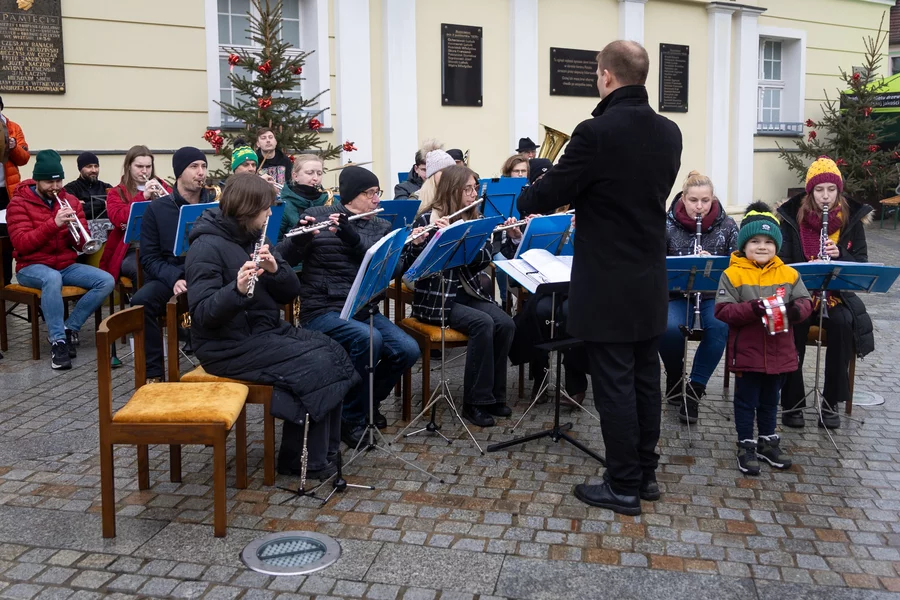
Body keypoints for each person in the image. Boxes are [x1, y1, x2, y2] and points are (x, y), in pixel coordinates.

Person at [518, 40, 682, 515]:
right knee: (645, 377)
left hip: (608, 282)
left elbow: (543, 197)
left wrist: (535, 186)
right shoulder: (670, 132)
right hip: (649, 278)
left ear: (607, 76)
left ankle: (623, 484)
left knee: (614, 384)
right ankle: (645, 475)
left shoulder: (594, 132)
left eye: (596, 72)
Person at [186, 174, 359, 480]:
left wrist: (276, 269)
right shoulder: (205, 247)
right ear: (247, 208)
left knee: (332, 349)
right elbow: (202, 314)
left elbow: (290, 292)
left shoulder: (256, 237)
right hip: (225, 346)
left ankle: (322, 452)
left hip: (261, 332)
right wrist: (237, 290)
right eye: (265, 207)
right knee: (316, 364)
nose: (269, 213)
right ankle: (303, 461)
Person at [277, 166, 420, 447]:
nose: (377, 199)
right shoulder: (318, 215)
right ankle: (351, 419)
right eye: (370, 193)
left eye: (377, 192)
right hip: (322, 310)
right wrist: (300, 239)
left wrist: (352, 238)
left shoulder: (381, 226)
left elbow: (393, 269)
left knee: (407, 350)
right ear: (352, 195)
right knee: (369, 339)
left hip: (362, 309)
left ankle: (363, 403)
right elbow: (282, 256)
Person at [409, 165, 516, 428]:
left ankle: (495, 396)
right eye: (467, 189)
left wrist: (468, 238)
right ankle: (475, 402)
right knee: (483, 323)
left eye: (474, 188)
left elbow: (483, 259)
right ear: (452, 190)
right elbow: (412, 268)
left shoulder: (474, 218)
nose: (473, 194)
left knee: (506, 323)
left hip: (467, 293)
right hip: (435, 299)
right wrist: (428, 241)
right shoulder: (426, 219)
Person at [714, 203, 812, 475]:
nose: (762, 247)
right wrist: (753, 308)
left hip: (779, 353)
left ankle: (768, 442)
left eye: (768, 242)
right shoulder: (732, 274)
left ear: (777, 246)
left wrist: (796, 311)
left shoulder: (789, 274)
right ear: (744, 244)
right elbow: (723, 311)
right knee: (746, 401)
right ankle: (746, 444)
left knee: (770, 400)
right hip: (748, 353)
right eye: (755, 241)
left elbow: (806, 301)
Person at [777, 156, 874, 430]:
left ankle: (831, 401)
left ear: (838, 191)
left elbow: (861, 264)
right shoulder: (791, 218)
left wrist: (840, 254)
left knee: (844, 323)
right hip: (801, 295)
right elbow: (782, 261)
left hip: (836, 296)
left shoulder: (851, 220)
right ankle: (793, 402)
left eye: (831, 190)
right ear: (810, 192)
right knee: (793, 325)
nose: (825, 196)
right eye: (819, 190)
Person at [6, 150, 114, 370]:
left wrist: (78, 233)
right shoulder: (18, 204)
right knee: (52, 278)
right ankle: (58, 342)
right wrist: (53, 224)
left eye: (58, 181)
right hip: (31, 266)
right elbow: (22, 244)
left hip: (64, 265)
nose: (55, 187)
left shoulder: (70, 201)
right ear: (37, 180)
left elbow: (80, 244)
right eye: (49, 182)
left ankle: (69, 327)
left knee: (106, 280)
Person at [660, 171, 738, 424]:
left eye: (705, 200)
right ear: (683, 198)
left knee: (719, 326)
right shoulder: (666, 224)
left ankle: (695, 389)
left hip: (713, 295)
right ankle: (674, 375)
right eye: (693, 200)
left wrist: (712, 264)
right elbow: (656, 263)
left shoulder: (728, 226)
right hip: (677, 295)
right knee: (668, 327)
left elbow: (739, 266)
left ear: (712, 199)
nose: (699, 207)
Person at [131, 147, 215, 382]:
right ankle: (154, 373)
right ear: (179, 172)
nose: (201, 172)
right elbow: (149, 257)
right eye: (194, 167)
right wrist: (175, 278)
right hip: (173, 274)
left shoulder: (215, 205)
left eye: (204, 166)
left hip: (207, 272)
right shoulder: (156, 209)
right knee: (141, 301)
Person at [102, 146, 171, 284]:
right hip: (131, 249)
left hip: (160, 247)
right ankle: (142, 298)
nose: (144, 171)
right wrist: (143, 196)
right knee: (144, 271)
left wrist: (168, 201)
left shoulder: (163, 187)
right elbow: (118, 219)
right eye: (139, 166)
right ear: (129, 166)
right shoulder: (116, 192)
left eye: (148, 166)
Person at [1, 95, 30, 286]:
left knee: (6, 239)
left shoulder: (13, 128)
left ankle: (4, 283)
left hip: (6, 192)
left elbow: (24, 158)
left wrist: (13, 147)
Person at [279, 154, 334, 240]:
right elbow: (274, 241)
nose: (316, 178)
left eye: (319, 173)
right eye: (310, 173)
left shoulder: (331, 200)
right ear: (295, 176)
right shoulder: (283, 206)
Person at [63, 152, 112, 219]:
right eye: (89, 166)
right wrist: (104, 203)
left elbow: (116, 208)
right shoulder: (70, 188)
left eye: (96, 166)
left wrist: (85, 204)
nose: (94, 170)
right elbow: (74, 211)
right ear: (80, 169)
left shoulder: (106, 187)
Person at [412, 142, 455, 210]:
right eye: (443, 171)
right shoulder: (416, 199)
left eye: (452, 171)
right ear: (432, 174)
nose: (448, 175)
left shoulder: (457, 195)